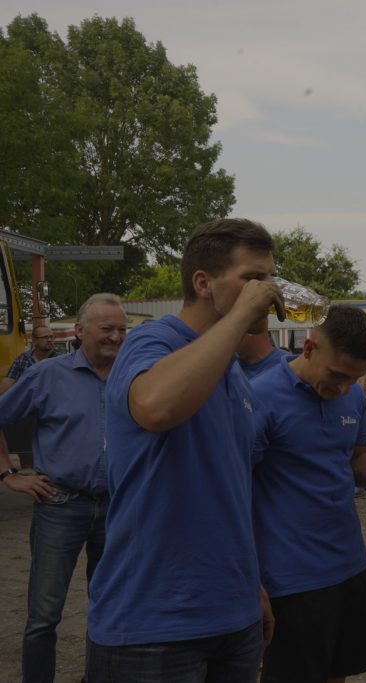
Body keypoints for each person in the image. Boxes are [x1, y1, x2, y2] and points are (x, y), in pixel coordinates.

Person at [86, 218, 282, 682]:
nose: (268, 291)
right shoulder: (152, 341)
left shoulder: (230, 367)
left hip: (233, 614)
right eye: (253, 278)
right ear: (203, 283)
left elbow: (226, 486)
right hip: (152, 623)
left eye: (270, 277)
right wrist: (238, 318)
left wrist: (250, 582)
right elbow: (156, 407)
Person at [0, 294, 128, 683]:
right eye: (107, 329)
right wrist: (8, 474)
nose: (116, 337)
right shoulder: (47, 375)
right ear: (79, 331)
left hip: (117, 509)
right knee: (44, 614)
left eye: (122, 329)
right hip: (60, 506)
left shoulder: (134, 373)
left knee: (110, 610)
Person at [251, 304, 366, 682]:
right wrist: (248, 576)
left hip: (349, 565)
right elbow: (233, 488)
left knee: (339, 673)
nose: (344, 388)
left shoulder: (352, 396)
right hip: (291, 577)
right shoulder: (260, 397)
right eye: (337, 375)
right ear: (308, 349)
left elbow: (358, 456)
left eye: (354, 378)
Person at [0, 325, 58, 395]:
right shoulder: (23, 359)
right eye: (45, 337)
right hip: (28, 400)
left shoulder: (59, 360)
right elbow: (8, 383)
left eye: (51, 337)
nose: (49, 340)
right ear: (34, 340)